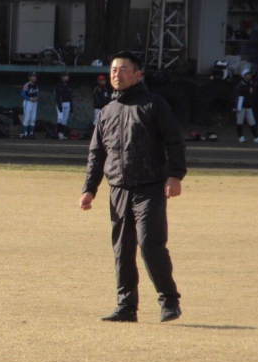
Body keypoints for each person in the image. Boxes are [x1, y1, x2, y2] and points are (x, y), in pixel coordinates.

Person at [79, 51, 186, 323]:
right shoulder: (107, 111)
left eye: (124, 69)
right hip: (118, 188)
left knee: (150, 243)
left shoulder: (154, 105)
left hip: (150, 187)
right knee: (122, 249)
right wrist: (89, 188)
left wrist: (175, 175)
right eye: (114, 70)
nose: (117, 74)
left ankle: (169, 300)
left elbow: (174, 140)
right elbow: (97, 153)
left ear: (138, 75)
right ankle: (126, 307)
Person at [235, 69, 258, 143]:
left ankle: (256, 137)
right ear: (244, 76)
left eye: (250, 74)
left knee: (252, 122)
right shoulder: (239, 86)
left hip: (249, 106)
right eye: (248, 74)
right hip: (241, 107)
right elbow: (235, 97)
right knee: (240, 122)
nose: (250, 76)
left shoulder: (252, 85)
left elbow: (252, 95)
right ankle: (241, 137)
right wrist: (235, 106)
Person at [20, 71, 39, 139]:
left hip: (34, 102)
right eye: (33, 76)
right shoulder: (26, 85)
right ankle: (25, 133)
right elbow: (22, 95)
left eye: (35, 76)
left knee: (33, 118)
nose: (35, 78)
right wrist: (29, 98)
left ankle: (31, 133)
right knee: (27, 118)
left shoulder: (36, 85)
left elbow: (38, 93)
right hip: (28, 102)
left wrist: (36, 97)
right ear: (29, 78)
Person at [54, 70, 72, 139]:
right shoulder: (58, 85)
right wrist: (59, 104)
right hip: (61, 103)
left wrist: (71, 105)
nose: (67, 77)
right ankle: (58, 133)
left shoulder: (68, 85)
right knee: (60, 118)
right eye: (66, 76)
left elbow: (70, 96)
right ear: (62, 77)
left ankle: (62, 133)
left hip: (67, 103)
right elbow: (57, 96)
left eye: (67, 76)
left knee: (65, 119)